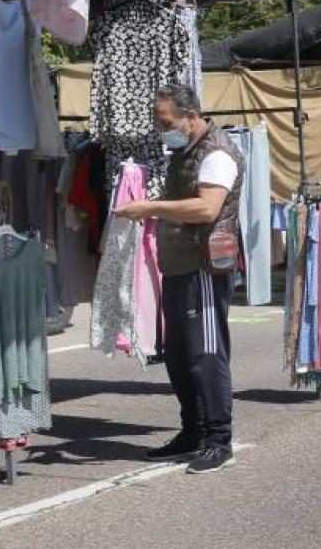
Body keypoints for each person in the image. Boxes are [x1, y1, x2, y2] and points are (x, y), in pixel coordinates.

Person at [113, 85, 244, 474]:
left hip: (203, 265)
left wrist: (149, 207)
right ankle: (193, 431)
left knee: (205, 354)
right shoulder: (187, 150)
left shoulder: (216, 153)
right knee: (179, 355)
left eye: (166, 122)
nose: (161, 129)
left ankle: (218, 440)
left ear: (190, 116)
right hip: (180, 263)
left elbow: (207, 208)